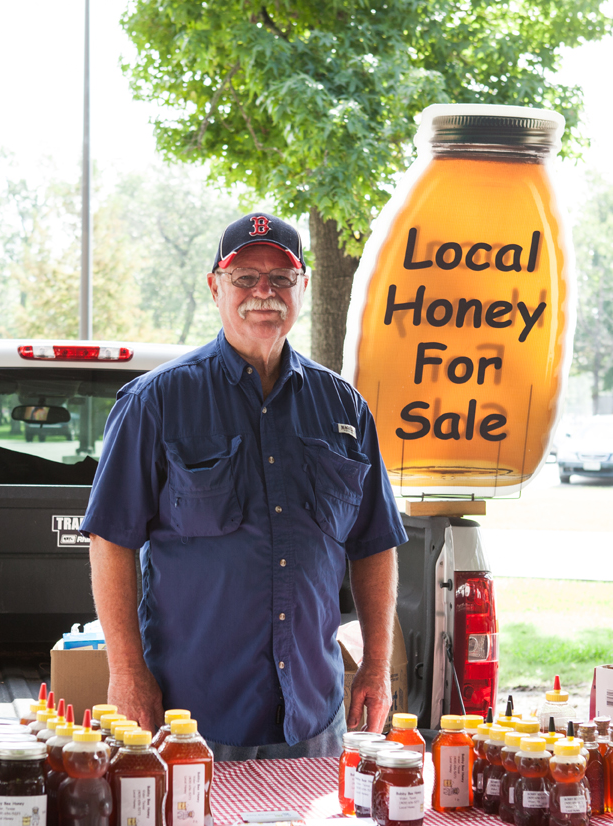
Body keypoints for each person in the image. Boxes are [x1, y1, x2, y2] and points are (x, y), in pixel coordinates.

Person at [80, 212, 408, 760]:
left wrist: (376, 663)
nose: (264, 293)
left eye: (281, 278)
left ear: (302, 287)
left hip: (312, 716)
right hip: (192, 717)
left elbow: (375, 544)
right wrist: (126, 671)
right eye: (245, 278)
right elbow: (111, 541)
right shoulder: (155, 403)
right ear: (215, 287)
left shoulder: (345, 408)